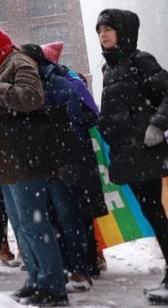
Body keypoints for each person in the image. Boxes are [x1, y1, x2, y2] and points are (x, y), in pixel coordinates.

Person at [0, 27, 68, 307]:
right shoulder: (0, 68)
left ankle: (53, 286)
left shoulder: (20, 62)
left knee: (35, 225)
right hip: (9, 161)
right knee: (22, 225)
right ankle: (36, 279)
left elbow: (31, 97)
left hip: (24, 159)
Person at [96, 8, 168, 303]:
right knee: (150, 211)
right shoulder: (108, 70)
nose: (103, 34)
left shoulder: (139, 60)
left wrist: (157, 124)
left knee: (155, 212)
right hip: (126, 154)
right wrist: (105, 128)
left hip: (145, 150)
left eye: (108, 28)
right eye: (100, 30)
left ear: (123, 31)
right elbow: (110, 112)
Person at [21, 43, 106, 293]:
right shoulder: (31, 85)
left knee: (69, 216)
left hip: (62, 161)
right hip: (41, 164)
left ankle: (80, 269)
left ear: (35, 62)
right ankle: (66, 267)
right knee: (51, 219)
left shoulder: (59, 84)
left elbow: (74, 122)